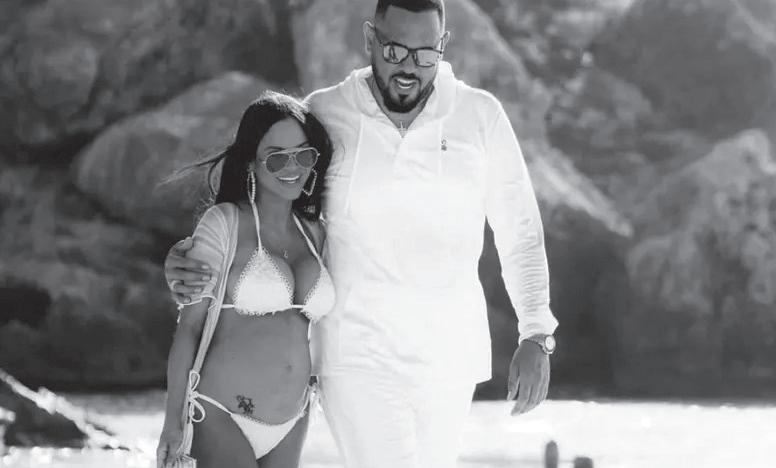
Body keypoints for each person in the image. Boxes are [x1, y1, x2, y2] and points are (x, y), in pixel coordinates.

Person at [165, 1, 558, 467]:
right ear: (370, 38)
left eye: (424, 54)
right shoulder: (326, 113)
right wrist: (191, 259)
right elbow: (272, 203)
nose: (408, 67)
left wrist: (536, 332)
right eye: (394, 51)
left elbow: (520, 229)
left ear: (443, 45)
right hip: (355, 355)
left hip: (450, 357)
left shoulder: (480, 115)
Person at [156, 92, 334, 468]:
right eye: (277, 157)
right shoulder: (224, 223)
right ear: (251, 162)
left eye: (303, 155)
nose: (292, 167)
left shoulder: (316, 233)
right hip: (221, 413)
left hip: (293, 419)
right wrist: (172, 422)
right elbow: (189, 328)